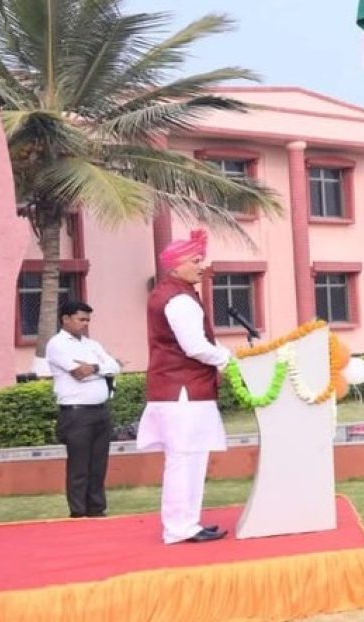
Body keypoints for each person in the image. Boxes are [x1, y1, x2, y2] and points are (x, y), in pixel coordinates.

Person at [137, 230, 230, 543]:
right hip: (182, 391)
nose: (201, 266)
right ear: (176, 266)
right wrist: (228, 359)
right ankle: (179, 527)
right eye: (195, 260)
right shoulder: (178, 299)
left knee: (191, 459)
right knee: (183, 459)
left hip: (180, 390)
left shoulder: (173, 293)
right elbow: (195, 347)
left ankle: (188, 522)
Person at [48, 299, 118, 519]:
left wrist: (95, 367)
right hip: (76, 413)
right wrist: (101, 370)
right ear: (66, 319)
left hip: (100, 411)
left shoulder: (91, 345)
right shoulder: (57, 344)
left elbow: (114, 366)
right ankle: (78, 512)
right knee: (79, 466)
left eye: (88, 320)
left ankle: (97, 509)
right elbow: (78, 373)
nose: (85, 324)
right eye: (81, 319)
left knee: (98, 465)